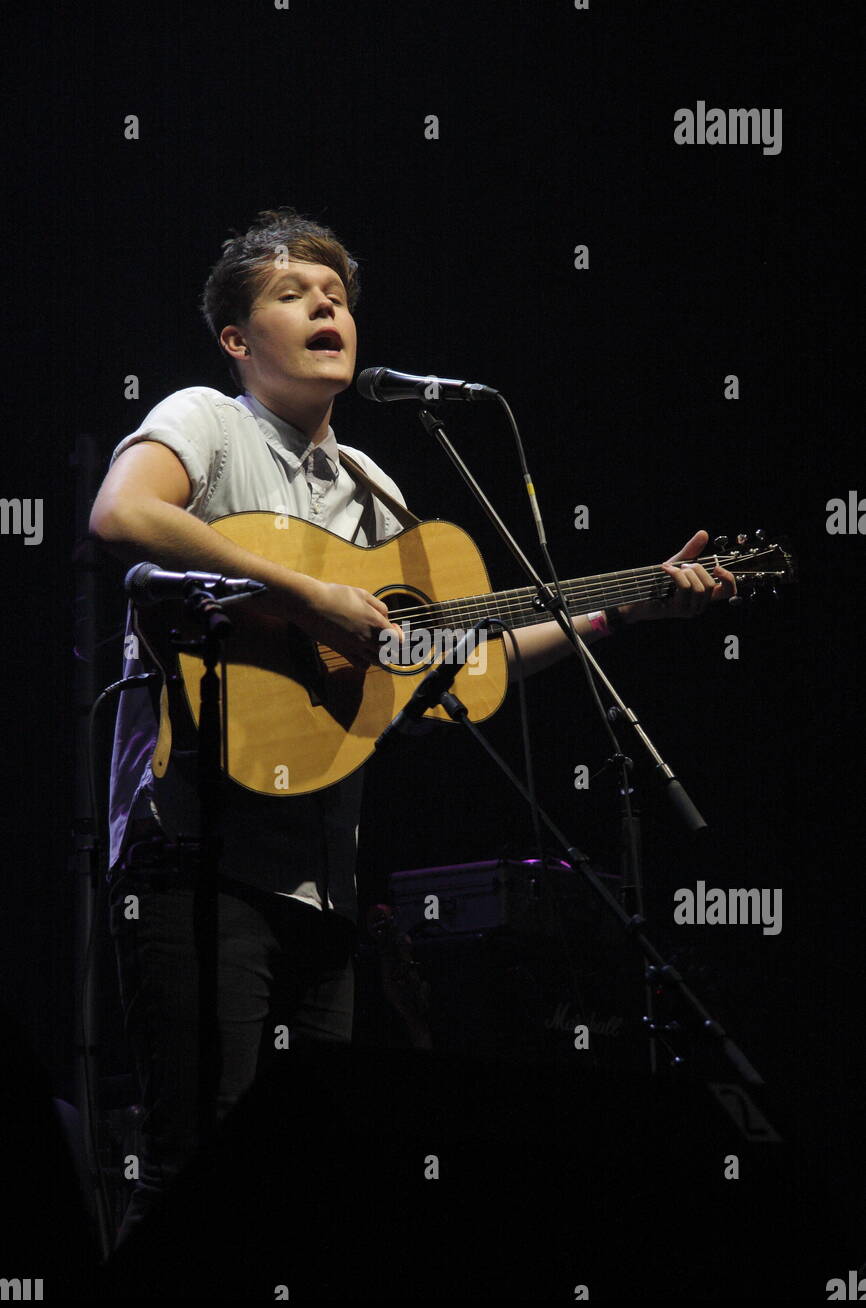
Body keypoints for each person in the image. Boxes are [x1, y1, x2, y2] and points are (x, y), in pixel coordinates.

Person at [89, 207, 735, 1245]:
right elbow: (124, 517)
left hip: (325, 877)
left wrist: (615, 608)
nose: (326, 307)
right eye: (295, 294)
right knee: (191, 1166)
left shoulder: (373, 487)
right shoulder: (204, 420)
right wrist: (308, 597)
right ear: (237, 340)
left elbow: (456, 655)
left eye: (338, 295)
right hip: (196, 855)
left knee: (302, 1181)